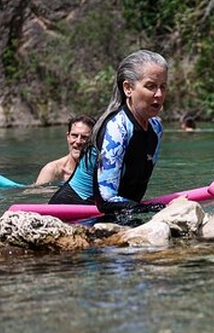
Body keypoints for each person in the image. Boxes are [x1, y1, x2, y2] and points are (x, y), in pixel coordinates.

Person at [49, 49, 168, 212]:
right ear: (128, 88)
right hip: (73, 211)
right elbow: (106, 200)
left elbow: (137, 184)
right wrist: (149, 210)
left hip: (119, 211)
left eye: (163, 86)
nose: (159, 94)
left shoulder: (156, 128)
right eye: (151, 86)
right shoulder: (117, 128)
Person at [34, 115, 96, 185]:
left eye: (84, 137)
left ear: (94, 140)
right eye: (74, 136)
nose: (78, 141)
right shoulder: (52, 171)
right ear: (68, 137)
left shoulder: (101, 170)